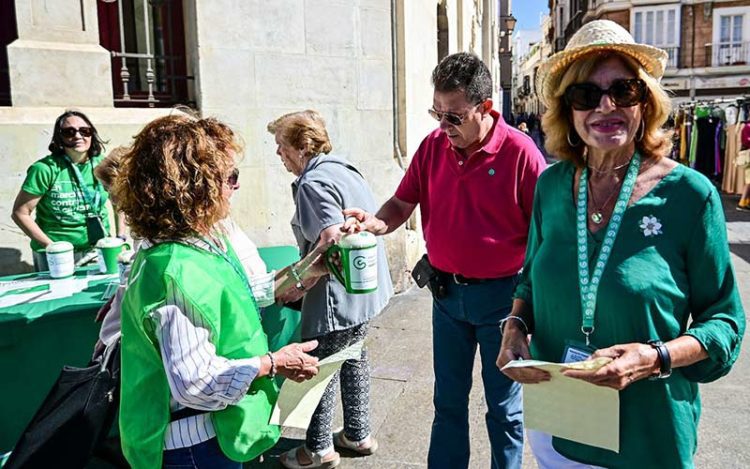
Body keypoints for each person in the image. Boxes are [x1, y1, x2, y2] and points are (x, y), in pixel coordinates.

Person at [496, 20, 745, 468]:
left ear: (645, 101)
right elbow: (531, 280)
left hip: (648, 431)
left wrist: (654, 357)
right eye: (585, 95)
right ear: (567, 111)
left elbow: (725, 322)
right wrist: (513, 325)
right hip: (560, 421)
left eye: (623, 91)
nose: (605, 106)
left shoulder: (690, 195)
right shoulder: (552, 187)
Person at [343, 52, 547, 469]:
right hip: (447, 297)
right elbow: (402, 201)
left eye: (453, 116)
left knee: (504, 410)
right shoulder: (434, 146)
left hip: (503, 303)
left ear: (485, 108)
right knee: (448, 402)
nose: (442, 126)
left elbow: (547, 235)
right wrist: (375, 223)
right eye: (437, 113)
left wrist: (531, 312)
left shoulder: (522, 154)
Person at [114, 114, 327, 469]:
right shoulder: (173, 268)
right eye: (230, 177)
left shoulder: (202, 241)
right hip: (192, 448)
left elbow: (245, 291)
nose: (236, 186)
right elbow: (195, 384)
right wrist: (272, 363)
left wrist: (312, 265)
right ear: (196, 186)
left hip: (214, 435)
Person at [267, 110, 393, 469]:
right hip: (364, 290)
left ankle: (318, 449)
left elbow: (329, 242)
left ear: (302, 147)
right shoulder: (343, 168)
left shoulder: (313, 182)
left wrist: (296, 283)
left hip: (336, 295)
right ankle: (358, 433)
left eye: (282, 146)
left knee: (319, 368)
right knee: (353, 356)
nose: (279, 154)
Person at [12, 110, 117, 271]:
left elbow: (120, 201)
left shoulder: (102, 164)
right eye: (69, 132)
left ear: (92, 134)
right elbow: (20, 213)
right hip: (57, 254)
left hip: (98, 250)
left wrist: (120, 237)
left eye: (84, 131)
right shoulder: (44, 169)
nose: (77, 136)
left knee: (99, 295)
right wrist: (52, 247)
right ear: (59, 137)